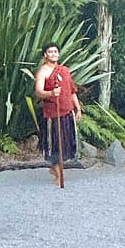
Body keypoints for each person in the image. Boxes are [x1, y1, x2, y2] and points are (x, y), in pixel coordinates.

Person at [34, 43, 82, 186]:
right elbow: (38, 91)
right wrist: (50, 93)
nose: (53, 54)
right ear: (45, 55)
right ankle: (57, 173)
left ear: (59, 54)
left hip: (67, 112)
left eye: (55, 51)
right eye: (50, 51)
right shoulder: (43, 71)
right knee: (54, 143)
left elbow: (72, 91)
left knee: (65, 142)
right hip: (52, 114)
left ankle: (56, 170)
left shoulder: (65, 71)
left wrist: (78, 108)